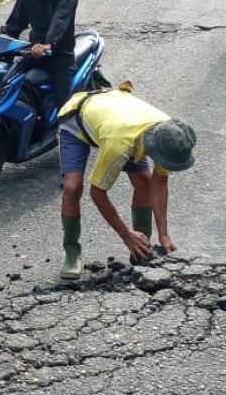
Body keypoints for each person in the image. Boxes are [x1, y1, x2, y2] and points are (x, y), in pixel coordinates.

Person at [57, 81, 196, 278]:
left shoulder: (170, 136)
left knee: (144, 181)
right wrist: (125, 234)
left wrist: (163, 234)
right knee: (72, 187)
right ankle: (72, 251)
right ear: (154, 149)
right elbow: (97, 192)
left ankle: (142, 248)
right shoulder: (119, 144)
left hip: (118, 120)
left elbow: (159, 183)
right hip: (78, 119)